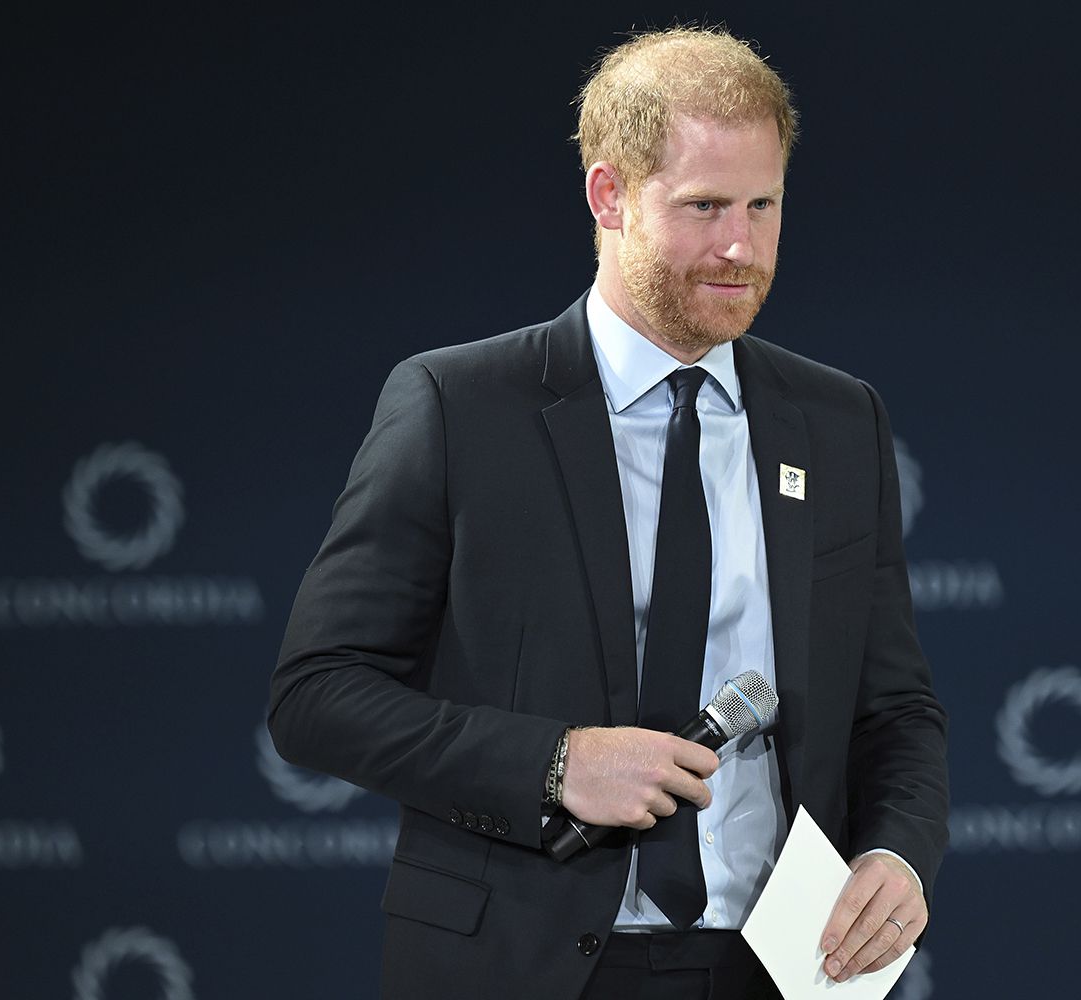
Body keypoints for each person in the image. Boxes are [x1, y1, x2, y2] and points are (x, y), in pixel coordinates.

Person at [269, 26, 948, 1000]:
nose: (740, 246)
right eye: (704, 206)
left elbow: (898, 710)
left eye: (764, 205)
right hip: (517, 966)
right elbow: (318, 694)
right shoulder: (457, 405)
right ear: (609, 195)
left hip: (778, 968)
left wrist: (899, 856)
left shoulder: (839, 420)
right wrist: (553, 763)